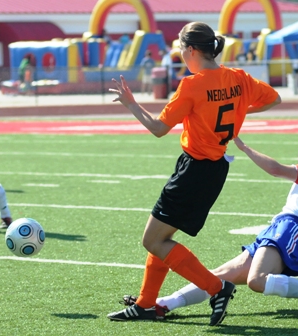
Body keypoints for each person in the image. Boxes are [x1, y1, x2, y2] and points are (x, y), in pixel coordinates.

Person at [107, 21, 281, 325]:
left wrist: (131, 103)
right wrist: (238, 108)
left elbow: (158, 129)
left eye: (178, 46)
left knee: (153, 240)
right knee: (164, 236)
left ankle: (216, 287)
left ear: (190, 49)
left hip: (194, 170)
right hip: (216, 170)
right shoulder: (238, 77)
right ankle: (146, 304)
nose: (178, 51)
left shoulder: (192, 84)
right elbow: (273, 99)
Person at [119, 139, 298, 317]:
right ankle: (163, 304)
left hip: (291, 231)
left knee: (256, 281)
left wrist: (245, 148)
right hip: (279, 229)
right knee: (219, 277)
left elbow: (276, 169)